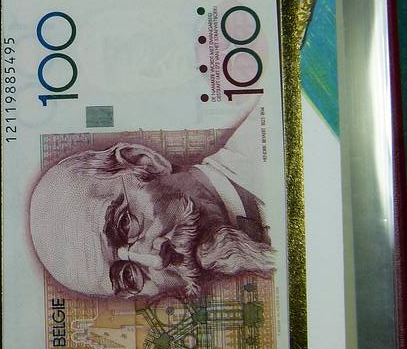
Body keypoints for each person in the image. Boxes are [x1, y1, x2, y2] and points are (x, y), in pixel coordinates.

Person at [28, 107, 274, 301]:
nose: (157, 260)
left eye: (125, 224)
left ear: (144, 163)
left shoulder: (270, 130)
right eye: (128, 276)